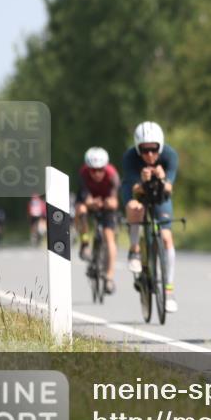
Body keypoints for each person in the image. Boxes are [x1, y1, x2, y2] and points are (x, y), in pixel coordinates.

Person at [122, 121, 180, 313]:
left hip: (160, 194)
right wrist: (143, 180)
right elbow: (133, 188)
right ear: (137, 148)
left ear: (160, 147)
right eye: (144, 150)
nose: (149, 155)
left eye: (153, 150)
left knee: (166, 237)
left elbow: (169, 188)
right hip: (139, 193)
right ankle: (135, 250)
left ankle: (169, 290)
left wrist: (162, 179)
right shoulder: (130, 157)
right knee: (134, 207)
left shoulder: (170, 156)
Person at [76, 146, 121, 293]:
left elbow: (115, 199)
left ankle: (109, 278)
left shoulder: (112, 174)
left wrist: (109, 202)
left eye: (100, 169)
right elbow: (85, 196)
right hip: (90, 201)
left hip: (107, 203)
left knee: (109, 238)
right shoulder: (83, 173)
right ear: (88, 168)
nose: (97, 173)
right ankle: (84, 242)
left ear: (105, 167)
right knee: (80, 210)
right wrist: (90, 202)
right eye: (93, 170)